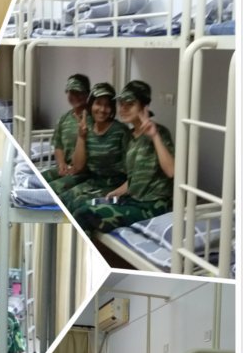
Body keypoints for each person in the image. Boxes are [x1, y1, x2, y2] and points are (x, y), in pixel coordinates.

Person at [73, 80, 175, 235]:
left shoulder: (159, 132)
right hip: (133, 200)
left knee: (83, 215)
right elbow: (135, 178)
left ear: (144, 107)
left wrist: (155, 136)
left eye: (130, 104)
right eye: (121, 104)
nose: (123, 108)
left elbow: (171, 171)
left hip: (153, 205)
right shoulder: (130, 136)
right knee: (79, 204)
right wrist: (118, 191)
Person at [56, 82, 130, 210]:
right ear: (91, 105)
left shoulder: (120, 131)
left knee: (77, 205)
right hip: (93, 180)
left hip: (114, 184)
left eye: (107, 105)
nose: (102, 109)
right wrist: (81, 136)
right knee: (62, 200)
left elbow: (132, 170)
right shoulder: (87, 126)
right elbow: (78, 167)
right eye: (98, 103)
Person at [41, 74, 91, 186]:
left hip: (84, 172)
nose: (75, 96)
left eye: (79, 92)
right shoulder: (63, 119)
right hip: (65, 168)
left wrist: (75, 168)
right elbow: (58, 145)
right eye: (71, 92)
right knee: (37, 180)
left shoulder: (94, 118)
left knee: (53, 187)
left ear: (87, 93)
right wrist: (61, 164)